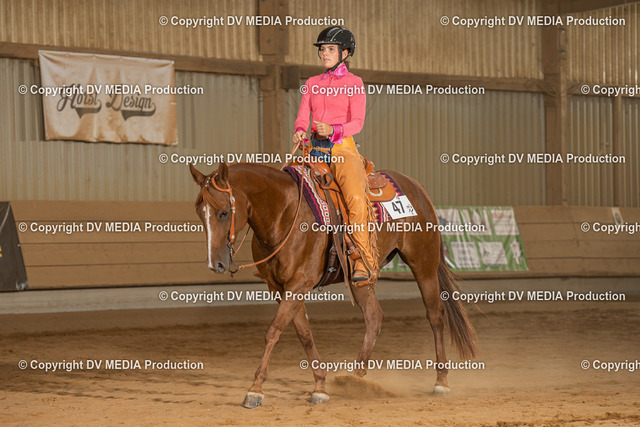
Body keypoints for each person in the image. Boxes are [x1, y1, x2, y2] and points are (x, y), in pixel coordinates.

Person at [292, 26, 378, 286]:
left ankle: (363, 261)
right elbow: (302, 116)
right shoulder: (312, 83)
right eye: (322, 49)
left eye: (330, 49)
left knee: (355, 199)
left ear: (345, 52)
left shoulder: (354, 83)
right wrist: (299, 131)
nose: (324, 53)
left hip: (342, 149)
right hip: (314, 150)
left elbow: (358, 122)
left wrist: (334, 130)